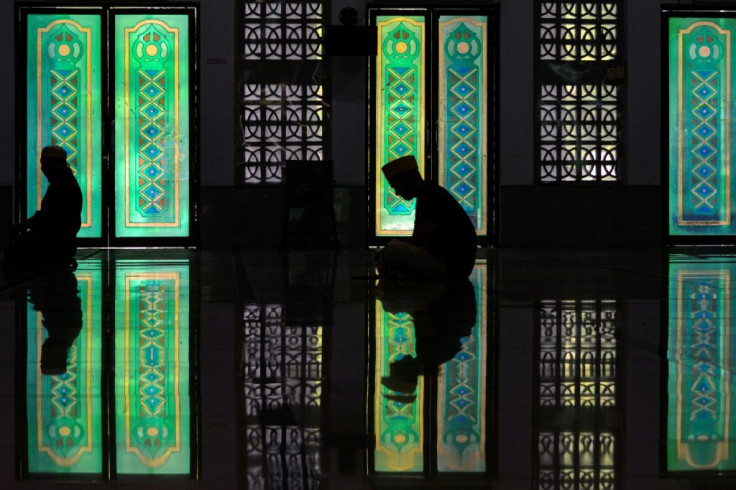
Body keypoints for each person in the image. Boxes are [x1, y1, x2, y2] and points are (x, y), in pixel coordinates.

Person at [377, 155, 477, 279]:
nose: (397, 193)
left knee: (392, 250)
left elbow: (419, 240)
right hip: (457, 265)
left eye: (396, 187)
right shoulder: (430, 192)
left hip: (451, 267)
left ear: (407, 180)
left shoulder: (430, 197)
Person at [2, 145, 83, 271]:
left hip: (55, 243)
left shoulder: (61, 186)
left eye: (45, 165)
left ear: (53, 165)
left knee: (12, 252)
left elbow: (46, 218)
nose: (43, 169)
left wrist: (22, 226)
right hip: (64, 243)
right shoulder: (65, 181)